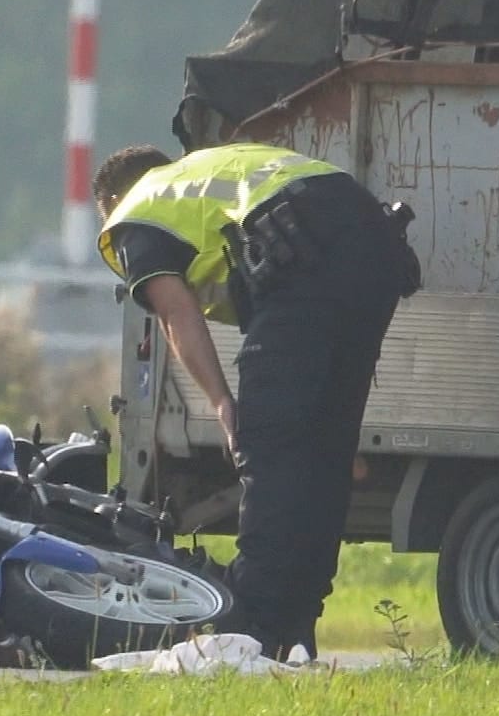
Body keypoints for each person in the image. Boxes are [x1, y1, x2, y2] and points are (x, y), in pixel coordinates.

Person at [93, 141, 419, 660]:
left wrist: (222, 403)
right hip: (373, 245)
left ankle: (253, 628)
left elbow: (176, 314)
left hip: (306, 260)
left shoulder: (139, 207)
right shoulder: (208, 172)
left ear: (113, 199)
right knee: (323, 455)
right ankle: (296, 627)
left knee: (270, 445)